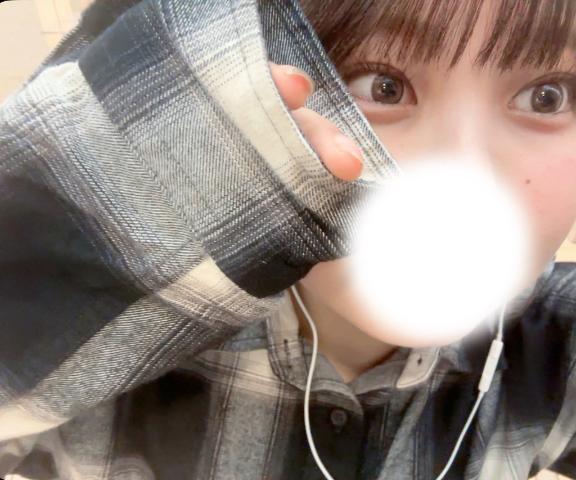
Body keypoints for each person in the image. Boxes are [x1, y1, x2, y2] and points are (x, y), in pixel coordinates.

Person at [0, 0, 575, 479]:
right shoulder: (106, 332)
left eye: (547, 96)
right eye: (382, 86)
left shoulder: (554, 342)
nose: (465, 182)